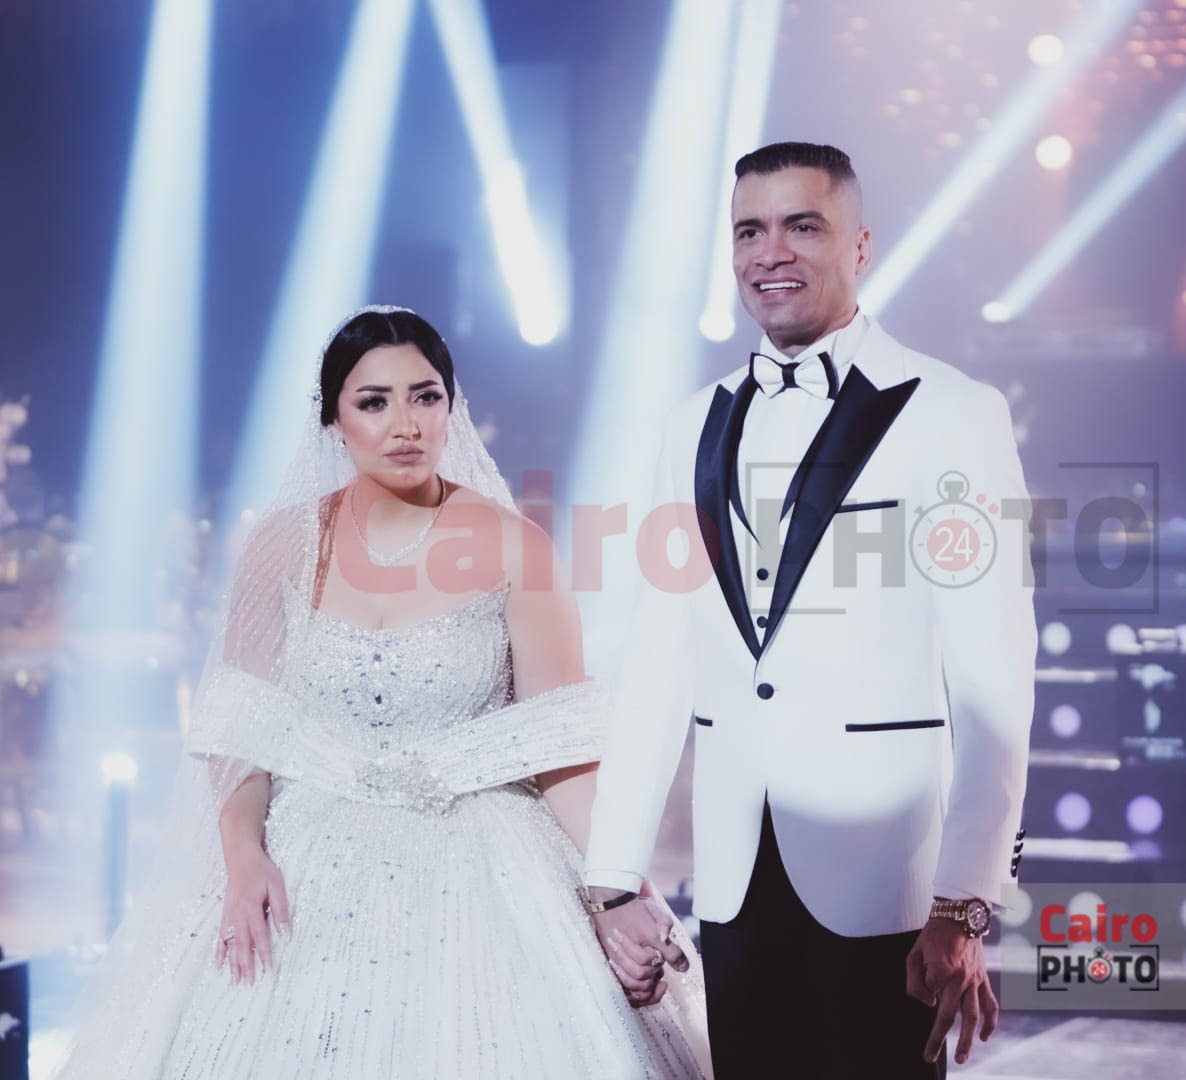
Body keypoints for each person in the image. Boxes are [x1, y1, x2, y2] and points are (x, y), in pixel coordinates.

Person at [54, 306, 710, 1079]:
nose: (405, 423)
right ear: (333, 421)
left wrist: (616, 891)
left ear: (451, 406)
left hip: (485, 869)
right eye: (374, 401)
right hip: (306, 860)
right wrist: (244, 859)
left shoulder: (515, 545)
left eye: (425, 396)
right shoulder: (282, 545)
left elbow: (559, 751)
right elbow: (241, 732)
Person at [583, 142, 1036, 1078]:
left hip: (890, 875)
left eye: (803, 225)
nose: (771, 252)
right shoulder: (692, 420)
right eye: (749, 231)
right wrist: (614, 875)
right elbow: (659, 658)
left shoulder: (954, 410)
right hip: (734, 868)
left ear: (860, 244)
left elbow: (995, 679)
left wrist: (965, 902)